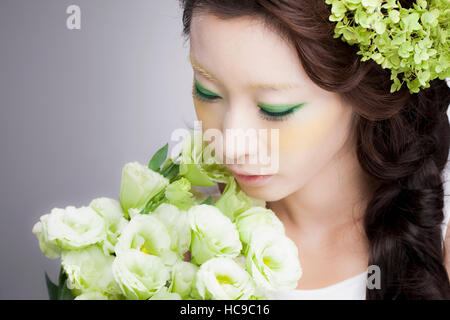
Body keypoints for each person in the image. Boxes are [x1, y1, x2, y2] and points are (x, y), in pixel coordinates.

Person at [178, 0, 450, 299]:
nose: (230, 146)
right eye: (207, 90)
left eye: (275, 109)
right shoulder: (170, 229)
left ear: (369, 90)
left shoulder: (441, 240)